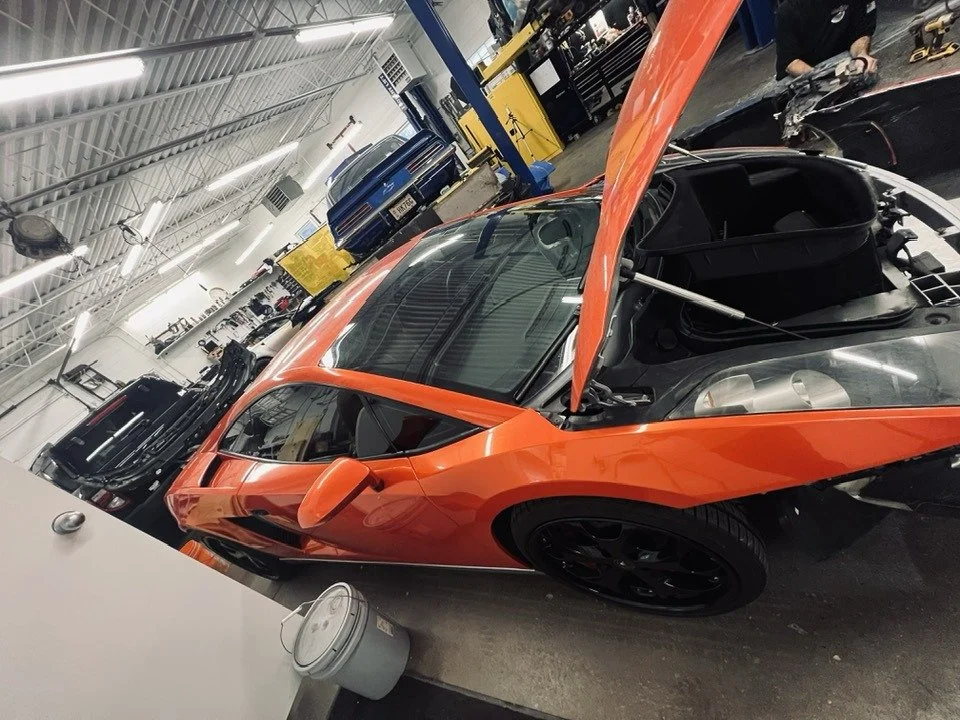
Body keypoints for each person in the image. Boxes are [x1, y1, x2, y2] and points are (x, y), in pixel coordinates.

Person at [775, 0, 878, 79]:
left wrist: (861, 55)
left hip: (842, 60)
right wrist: (822, 77)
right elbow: (790, 62)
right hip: (805, 73)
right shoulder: (789, 10)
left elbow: (859, 33)